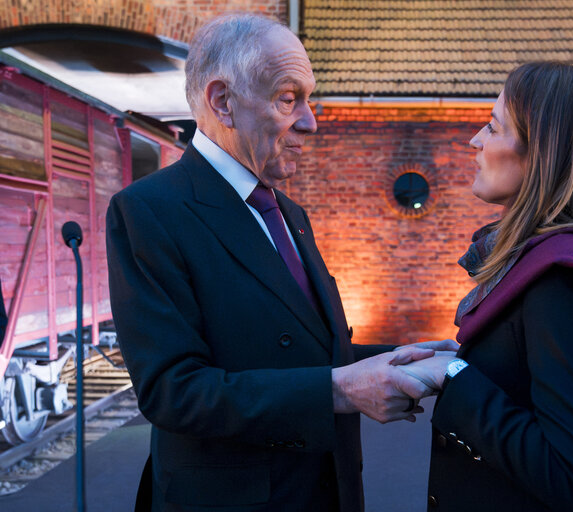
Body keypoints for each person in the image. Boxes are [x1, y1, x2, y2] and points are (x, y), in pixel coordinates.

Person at [106, 14, 448, 512]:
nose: (310, 121)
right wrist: (338, 391)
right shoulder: (149, 210)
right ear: (223, 102)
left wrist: (404, 356)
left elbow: (309, 346)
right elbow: (171, 391)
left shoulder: (288, 211)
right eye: (289, 99)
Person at [400, 62, 573, 511]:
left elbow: (568, 475)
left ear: (543, 153)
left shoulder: (559, 279)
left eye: (493, 128)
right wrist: (458, 362)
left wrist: (451, 375)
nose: (476, 140)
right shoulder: (539, 261)